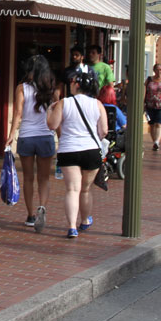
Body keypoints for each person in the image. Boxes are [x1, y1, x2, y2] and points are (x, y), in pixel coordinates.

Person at [46, 70, 108, 238]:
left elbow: (52, 125)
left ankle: (72, 227)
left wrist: (50, 110)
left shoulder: (64, 103)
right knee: (86, 190)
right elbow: (104, 131)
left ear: (77, 85)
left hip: (69, 150)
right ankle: (85, 221)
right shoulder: (97, 104)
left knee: (72, 189)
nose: (70, 85)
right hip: (90, 150)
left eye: (72, 83)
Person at [7, 55, 59, 233]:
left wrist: (11, 134)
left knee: (28, 178)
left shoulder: (22, 88)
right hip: (45, 136)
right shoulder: (53, 90)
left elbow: (18, 113)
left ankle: (30, 216)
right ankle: (42, 207)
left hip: (27, 137)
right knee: (44, 178)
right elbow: (57, 117)